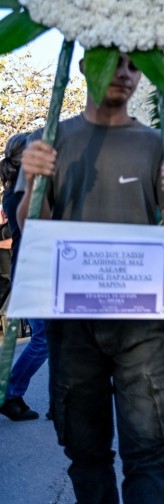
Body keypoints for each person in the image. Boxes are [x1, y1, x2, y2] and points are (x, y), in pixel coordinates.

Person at [16, 52, 164, 503]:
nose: (123, 73)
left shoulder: (158, 144)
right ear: (82, 67)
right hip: (72, 323)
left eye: (134, 66)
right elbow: (30, 226)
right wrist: (35, 184)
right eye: (111, 62)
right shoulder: (50, 140)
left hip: (142, 322)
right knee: (85, 452)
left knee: (148, 452)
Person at [0, 133, 47, 422]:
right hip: (34, 270)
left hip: (42, 268)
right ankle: (10, 393)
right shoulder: (19, 192)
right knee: (44, 339)